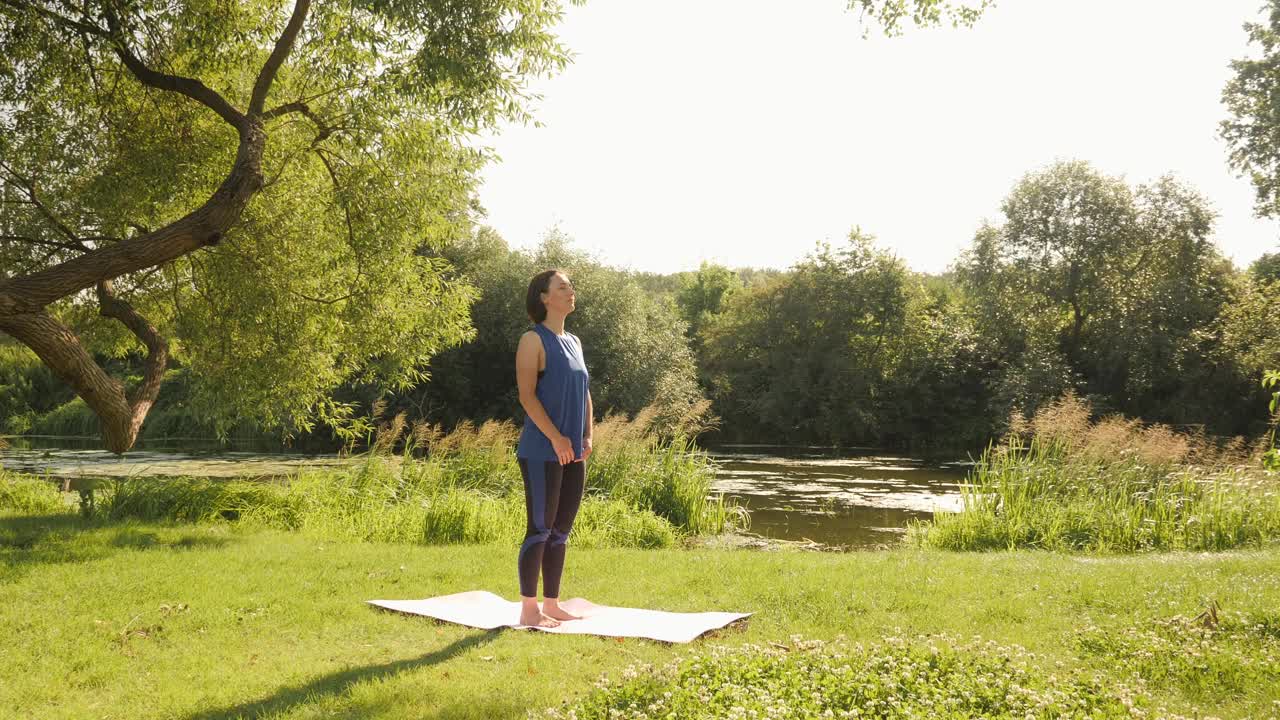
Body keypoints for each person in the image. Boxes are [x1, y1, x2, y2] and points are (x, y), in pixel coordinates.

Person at [514, 269, 593, 628]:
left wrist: (586, 435)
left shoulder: (574, 341)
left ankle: (552, 603)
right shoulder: (533, 340)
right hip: (541, 450)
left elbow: (585, 392)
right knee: (540, 528)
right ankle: (529, 610)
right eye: (562, 287)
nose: (570, 291)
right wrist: (557, 438)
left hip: (574, 451)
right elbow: (527, 397)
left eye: (570, 287)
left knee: (561, 530)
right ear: (544, 297)